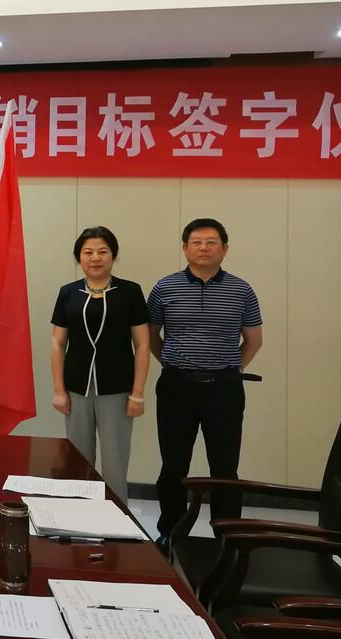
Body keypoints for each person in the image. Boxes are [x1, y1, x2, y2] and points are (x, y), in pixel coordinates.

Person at [148, 218, 263, 546]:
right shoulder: (164, 288)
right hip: (176, 388)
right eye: (196, 242)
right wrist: (173, 363)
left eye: (212, 242)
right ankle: (170, 534)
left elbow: (253, 339)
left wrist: (231, 369)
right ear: (185, 248)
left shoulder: (242, 290)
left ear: (224, 249)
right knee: (173, 466)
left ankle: (228, 538)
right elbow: (151, 336)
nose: (204, 248)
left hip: (224, 390)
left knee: (225, 467)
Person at [49, 226, 149, 502]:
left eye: (102, 251)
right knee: (77, 460)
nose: (95, 258)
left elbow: (142, 345)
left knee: (115, 462)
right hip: (76, 388)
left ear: (113, 256)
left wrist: (137, 393)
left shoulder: (130, 292)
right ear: (79, 257)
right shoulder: (68, 293)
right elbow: (57, 343)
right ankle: (78, 513)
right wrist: (59, 390)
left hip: (117, 388)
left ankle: (117, 515)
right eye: (88, 252)